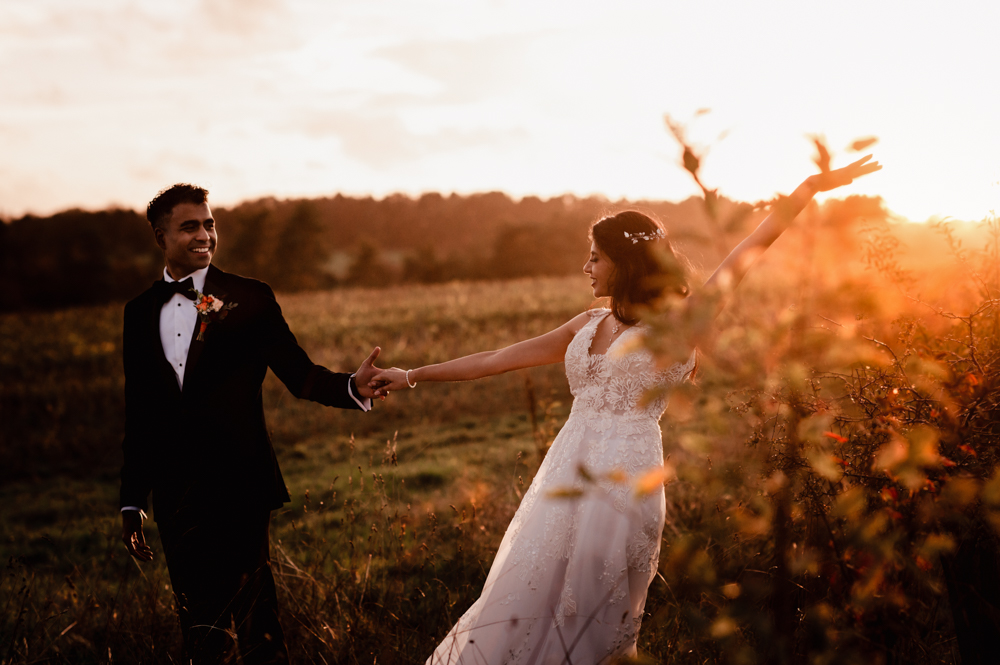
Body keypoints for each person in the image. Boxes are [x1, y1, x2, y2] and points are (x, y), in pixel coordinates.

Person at [371, 156, 881, 664]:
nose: (586, 267)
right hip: (564, 470)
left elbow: (749, 249)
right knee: (529, 591)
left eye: (595, 257)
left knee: (592, 610)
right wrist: (412, 374)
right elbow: (496, 359)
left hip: (625, 477)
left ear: (624, 261)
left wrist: (809, 187)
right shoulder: (586, 323)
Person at [119, 184, 384, 664]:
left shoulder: (248, 297)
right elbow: (141, 413)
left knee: (259, 624)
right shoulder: (138, 314)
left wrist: (350, 386)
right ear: (161, 236)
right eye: (189, 226)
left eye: (209, 223)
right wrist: (132, 499)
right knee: (200, 631)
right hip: (175, 492)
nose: (204, 235)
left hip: (241, 481)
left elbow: (299, 375)